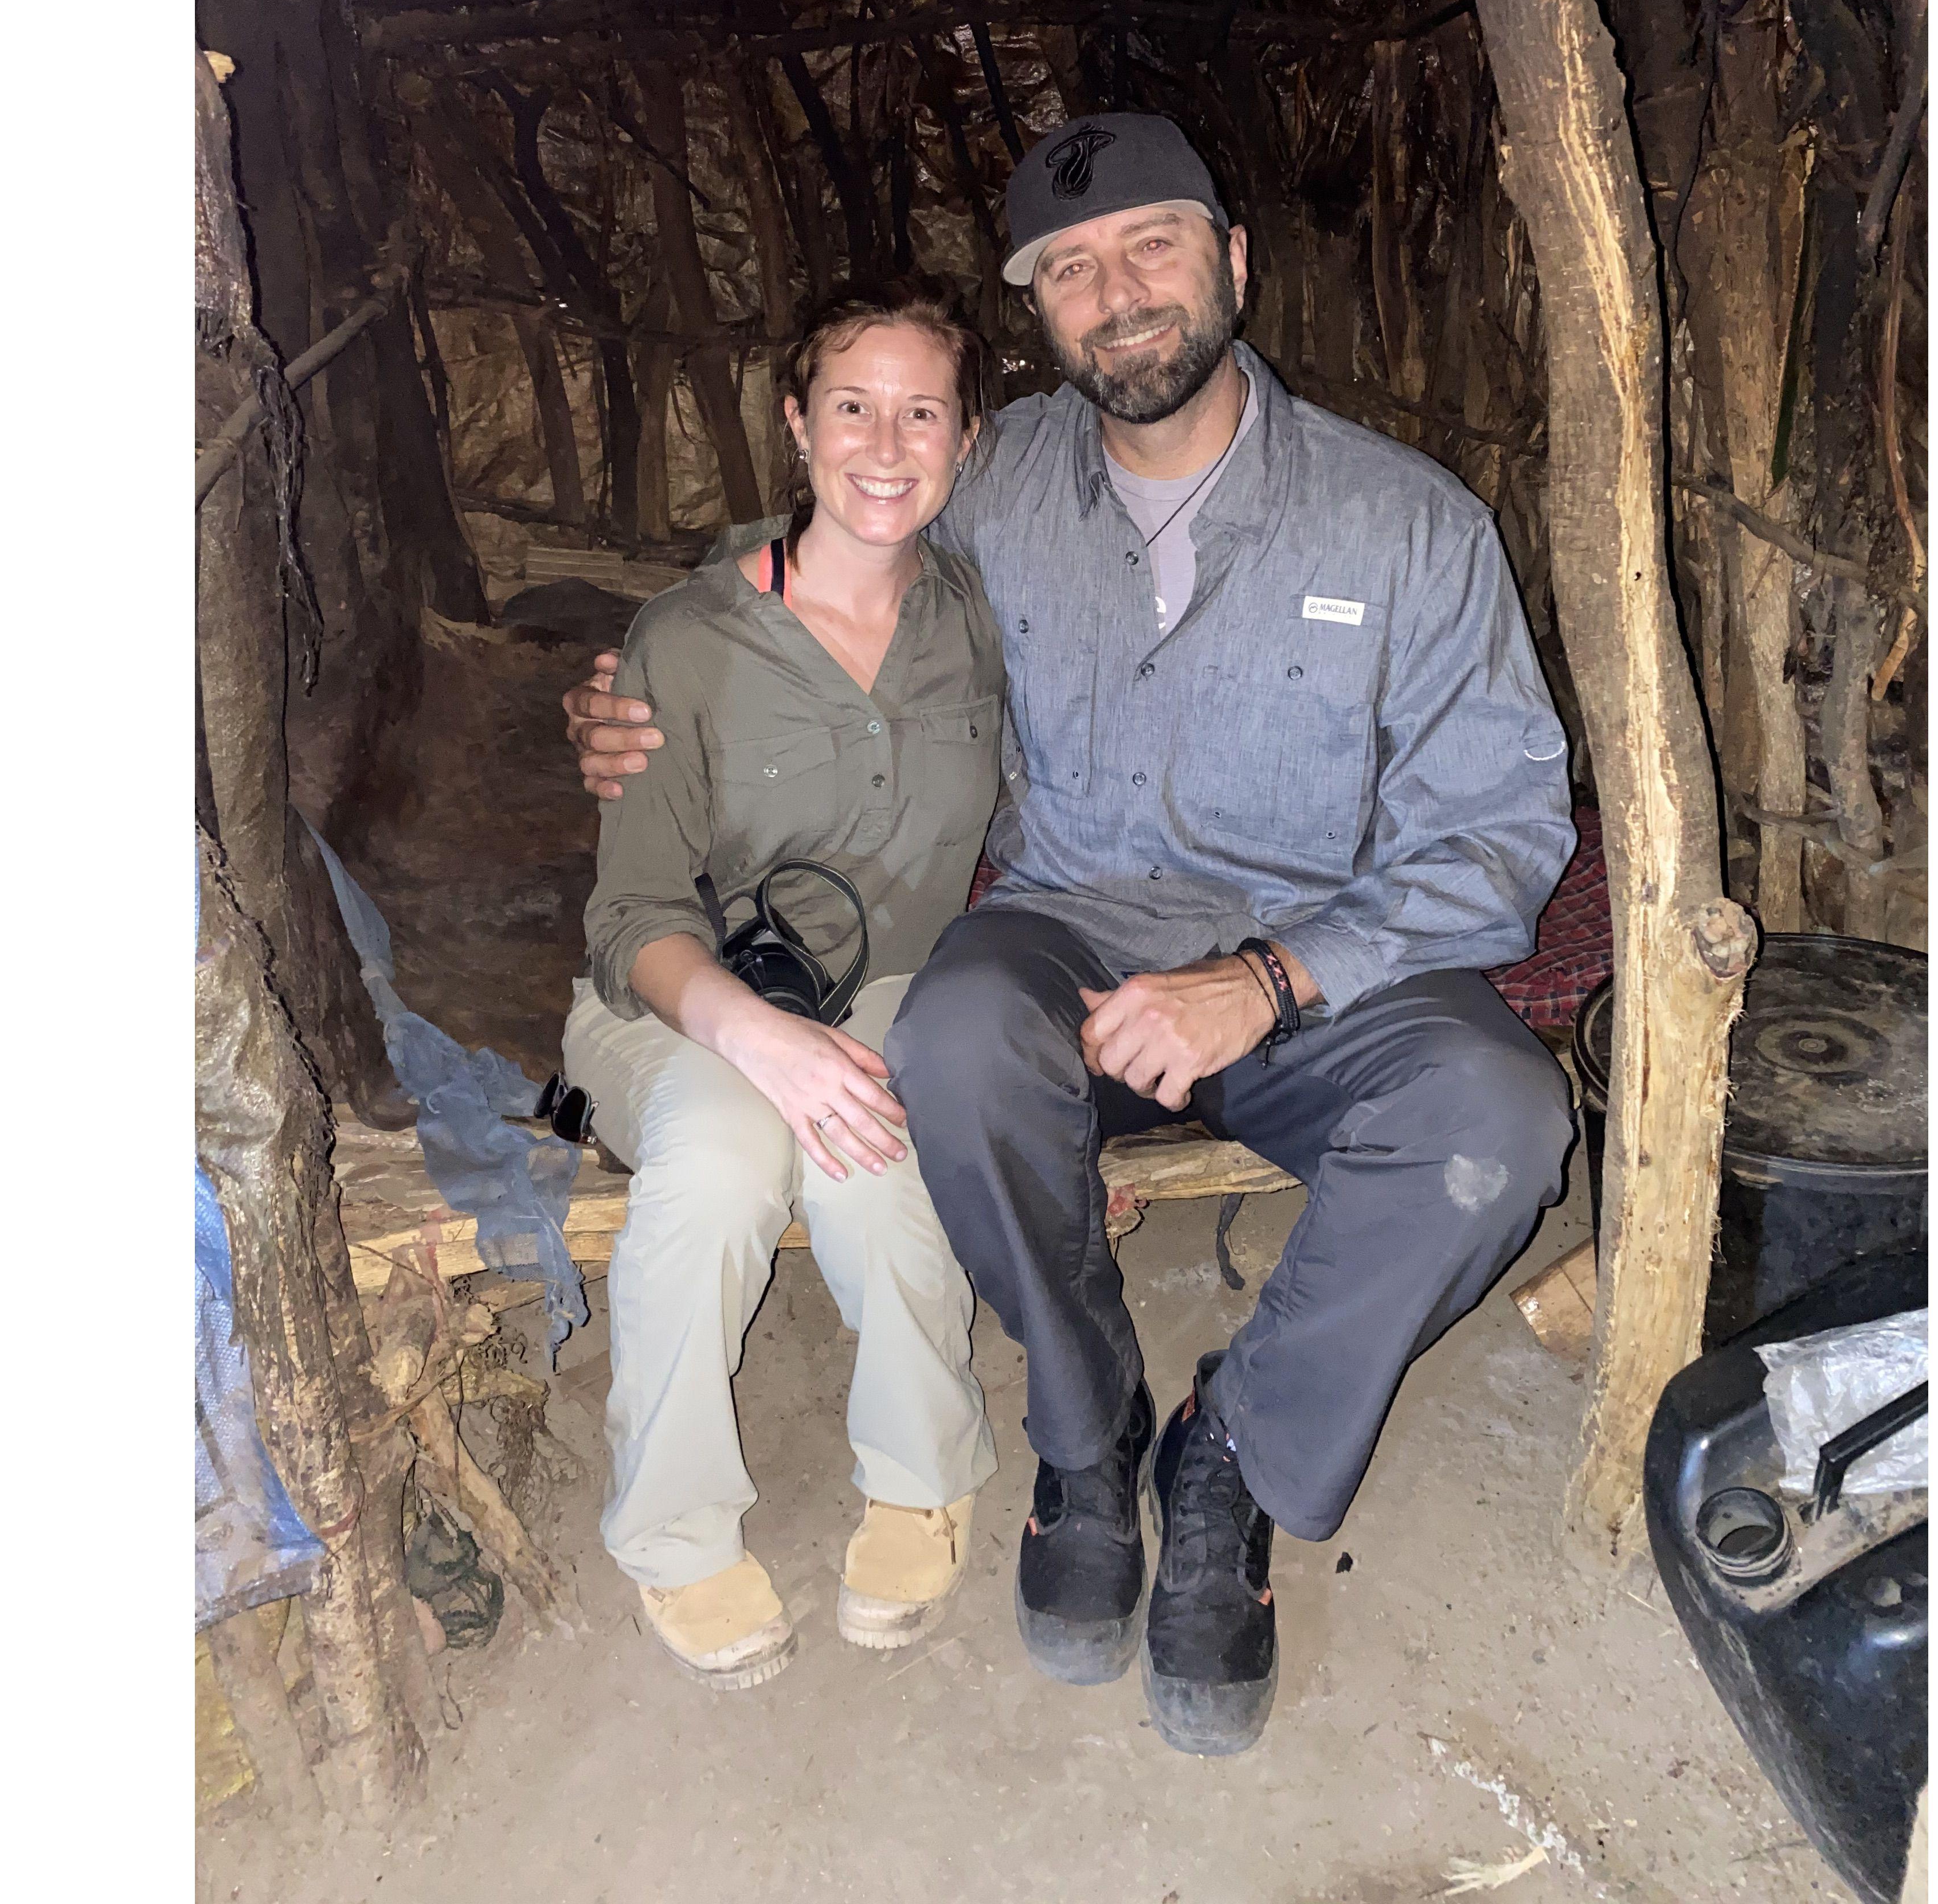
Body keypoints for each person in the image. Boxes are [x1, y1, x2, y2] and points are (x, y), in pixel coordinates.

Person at [565, 114, 1577, 1752]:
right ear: (1038, 315)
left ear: (1233, 261)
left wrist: (1267, 981)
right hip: (1072, 946)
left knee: (1502, 1121)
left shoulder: (1408, 525)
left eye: (1154, 245)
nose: (1121, 293)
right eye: (1073, 269)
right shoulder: (999, 477)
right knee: (952, 1038)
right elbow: (824, 548)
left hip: (1318, 966)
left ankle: (1233, 1451)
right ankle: (1087, 1433)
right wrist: (639, 685)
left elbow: (1508, 830)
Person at [564, 286, 1003, 1690]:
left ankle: (925, 1477)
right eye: (853, 408)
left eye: (922, 412)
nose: (887, 444)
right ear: (800, 425)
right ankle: (672, 1531)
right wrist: (764, 1043)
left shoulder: (983, 621)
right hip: (678, 991)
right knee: (718, 1161)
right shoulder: (690, 638)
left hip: (888, 980)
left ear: (968, 442)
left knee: (873, 1154)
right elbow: (631, 913)